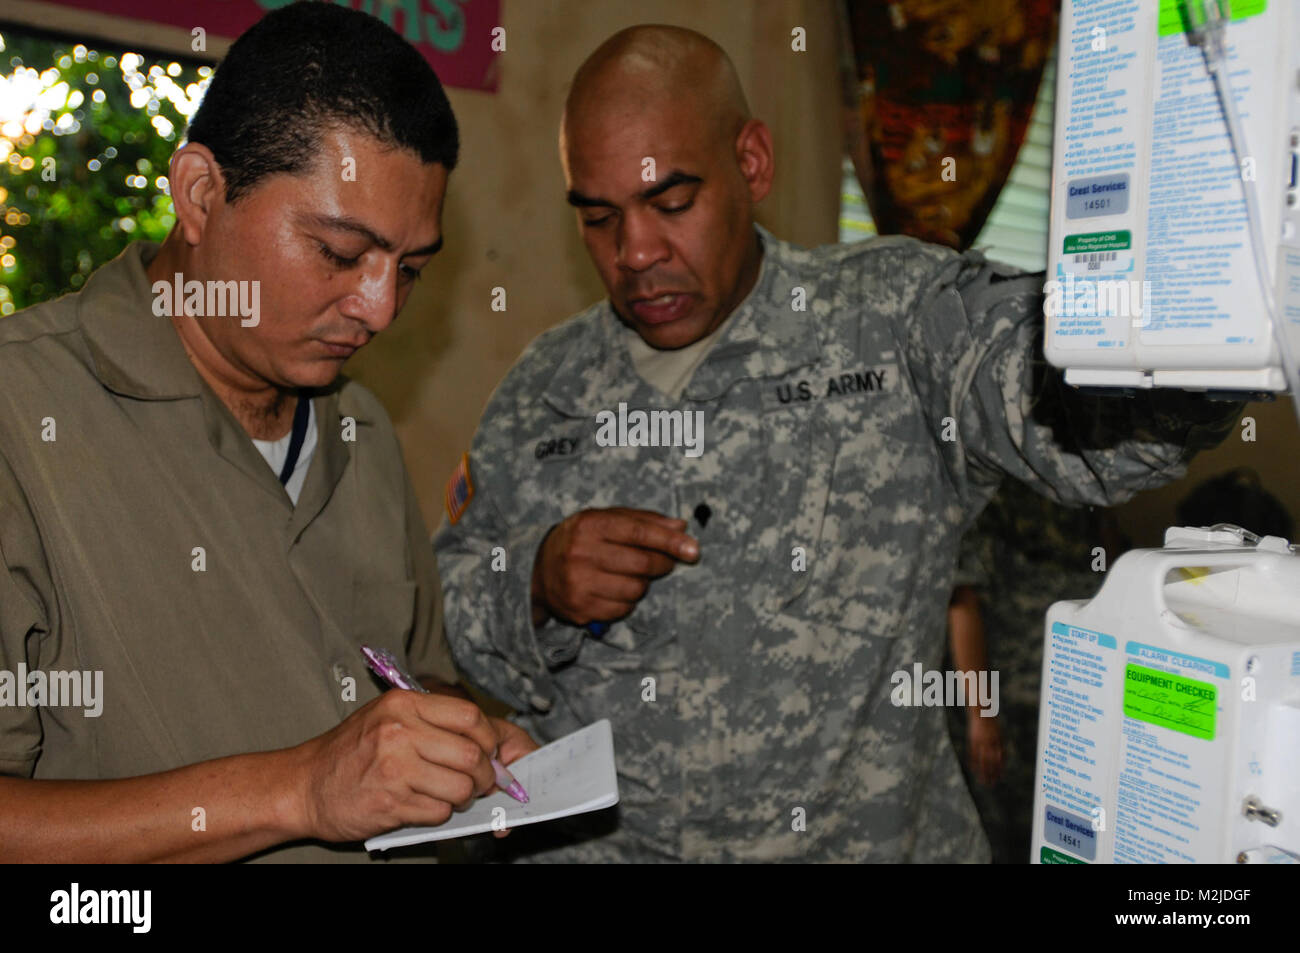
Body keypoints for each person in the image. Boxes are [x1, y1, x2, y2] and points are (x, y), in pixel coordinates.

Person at [434, 24, 1243, 862]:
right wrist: (534, 582)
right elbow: (445, 609)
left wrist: (1211, 310)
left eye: (672, 203)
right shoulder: (544, 389)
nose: (635, 252)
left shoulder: (887, 324)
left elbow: (1084, 420)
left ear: (752, 163)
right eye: (599, 219)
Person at [0, 2, 534, 863]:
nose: (379, 307)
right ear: (201, 193)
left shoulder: (359, 431)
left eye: (411, 270)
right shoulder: (21, 418)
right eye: (337, 252)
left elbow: (413, 674)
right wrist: (300, 790)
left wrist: (456, 744)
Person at [944, 488, 1123, 863]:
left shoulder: (1082, 492)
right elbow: (963, 604)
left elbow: (1107, 578)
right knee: (1000, 837)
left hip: (1074, 702)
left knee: (1062, 835)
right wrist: (983, 715)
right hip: (1009, 706)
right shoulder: (991, 495)